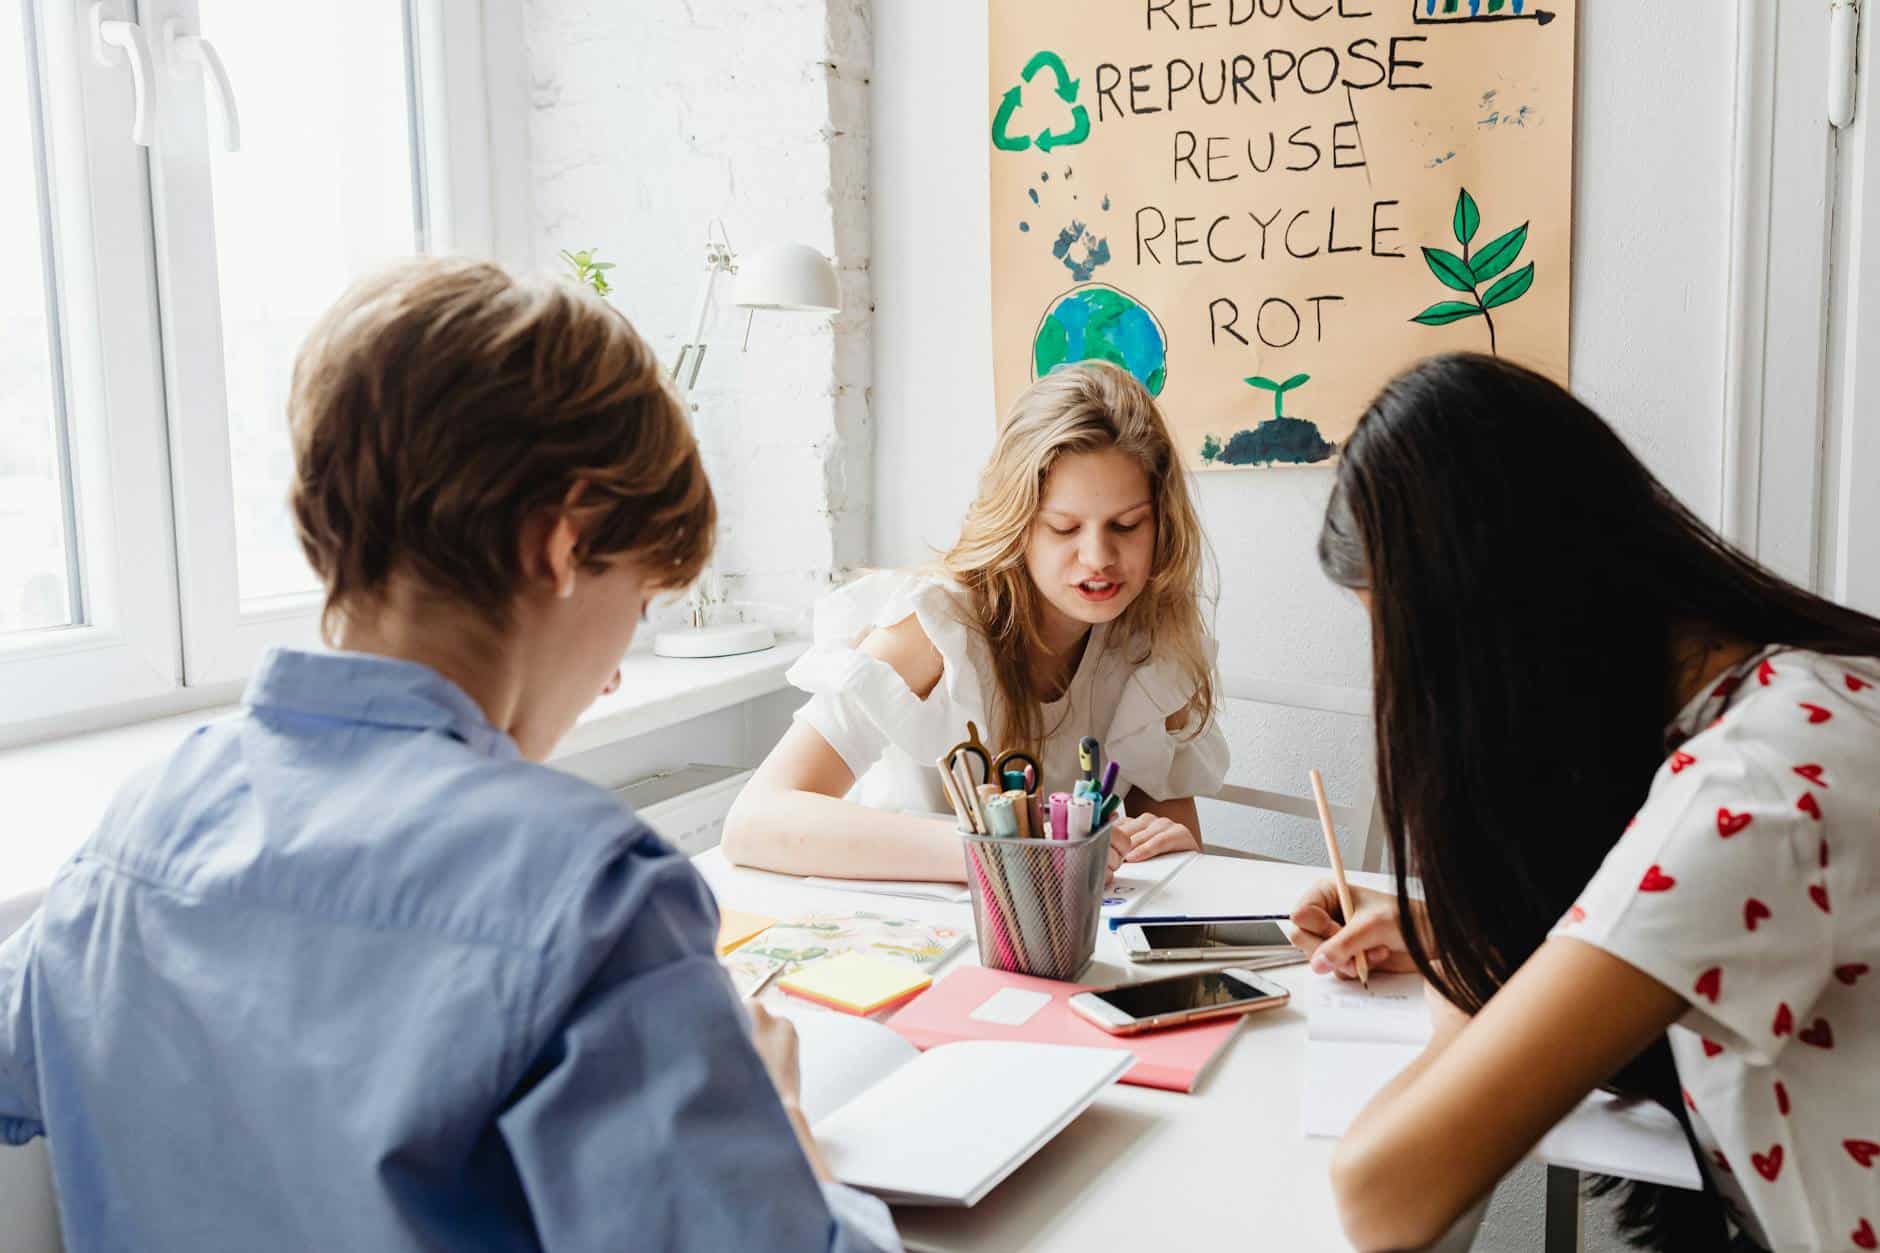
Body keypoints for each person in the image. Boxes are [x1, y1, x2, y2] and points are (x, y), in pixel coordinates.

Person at [0, 258, 900, 1252]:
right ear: (561, 545)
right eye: (637, 605)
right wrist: (777, 1123)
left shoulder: (139, 825)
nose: (611, 674)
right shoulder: (590, 894)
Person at [1289, 353, 1880, 1253]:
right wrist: (1449, 930)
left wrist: (1467, 965)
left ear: (1487, 636)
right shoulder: (1803, 695)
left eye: (1406, 657)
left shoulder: (1743, 801)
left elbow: (1382, 1190)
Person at [722, 361, 1228, 882]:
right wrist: (1003, 850)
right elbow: (754, 821)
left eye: (1126, 525)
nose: (1098, 556)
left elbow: (1169, 856)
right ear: (1018, 524)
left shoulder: (1152, 643)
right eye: (1063, 527)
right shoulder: (936, 629)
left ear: (1161, 524)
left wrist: (1170, 848)